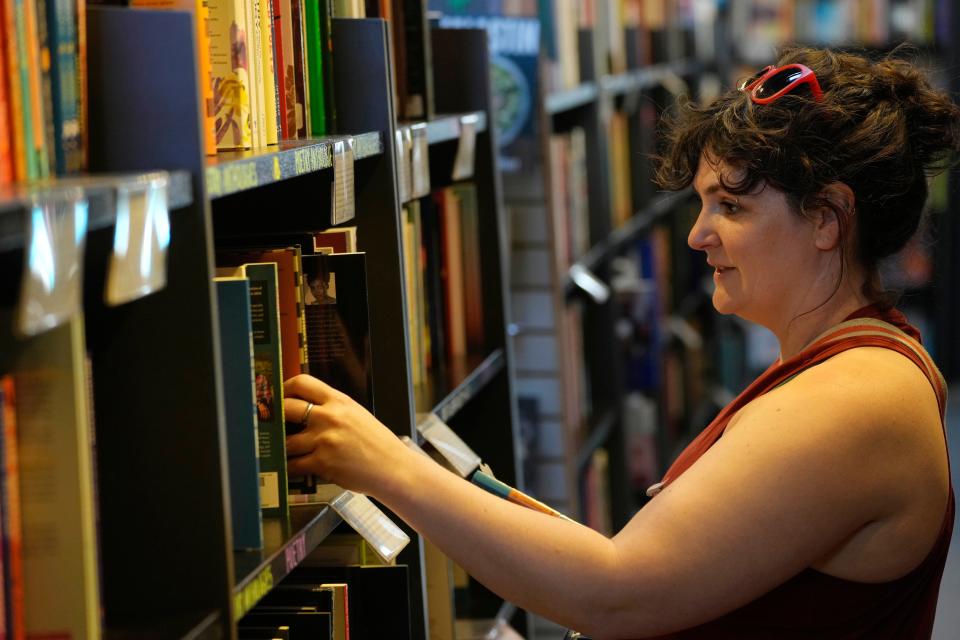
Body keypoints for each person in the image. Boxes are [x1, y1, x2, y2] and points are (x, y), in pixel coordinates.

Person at [282, 47, 957, 638]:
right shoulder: (836, 369)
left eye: (733, 206)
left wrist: (389, 469)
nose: (698, 235)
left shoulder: (854, 398)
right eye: (702, 204)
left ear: (827, 219)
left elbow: (615, 592)